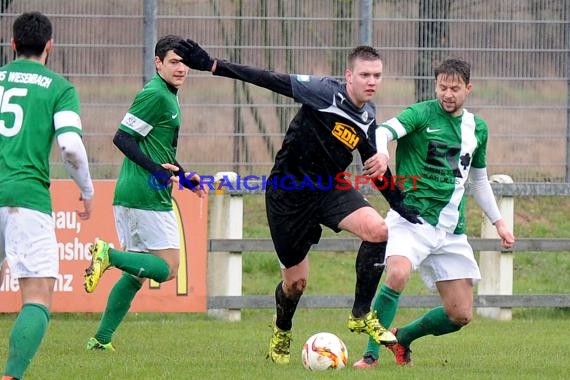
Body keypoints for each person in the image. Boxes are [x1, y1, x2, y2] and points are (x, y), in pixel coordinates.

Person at [173, 39, 422, 365]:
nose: (372, 81)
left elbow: (375, 168)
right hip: (287, 193)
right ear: (349, 75)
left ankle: (361, 314)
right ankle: (282, 329)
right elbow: (268, 78)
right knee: (296, 283)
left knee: (378, 230)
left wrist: (398, 203)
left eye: (377, 75)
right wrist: (214, 65)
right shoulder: (323, 92)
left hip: (328, 186)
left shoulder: (368, 115)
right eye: (365, 75)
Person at [352, 57, 516, 369]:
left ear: (468, 89)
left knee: (460, 314)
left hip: (451, 229)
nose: (447, 94)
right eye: (442, 87)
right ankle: (370, 355)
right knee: (398, 273)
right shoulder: (421, 113)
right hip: (411, 219)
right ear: (436, 86)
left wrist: (499, 223)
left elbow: (478, 179)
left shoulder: (477, 129)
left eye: (454, 88)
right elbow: (383, 131)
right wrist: (383, 153)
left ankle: (403, 338)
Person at [83, 35, 206, 351]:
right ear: (158, 63)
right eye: (174, 62)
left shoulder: (167, 94)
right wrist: (155, 170)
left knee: (136, 275)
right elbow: (122, 138)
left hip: (137, 193)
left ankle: (101, 339)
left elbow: (156, 147)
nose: (181, 68)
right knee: (167, 268)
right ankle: (107, 255)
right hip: (143, 194)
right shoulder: (156, 95)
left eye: (184, 62)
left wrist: (182, 174)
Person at [0, 12, 95, 380]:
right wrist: (86, 190)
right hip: (26, 198)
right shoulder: (59, 88)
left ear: (12, 45)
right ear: (49, 46)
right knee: (37, 297)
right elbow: (70, 146)